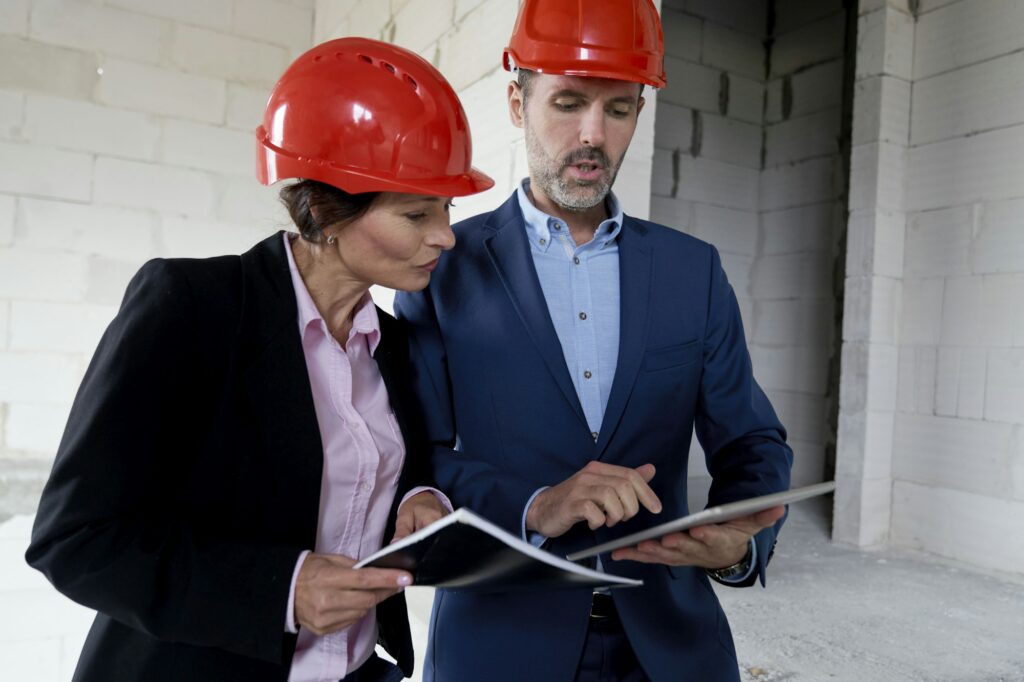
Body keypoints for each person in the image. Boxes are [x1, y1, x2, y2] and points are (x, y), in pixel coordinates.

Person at [25, 37, 493, 682]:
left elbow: (378, 466)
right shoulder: (192, 308)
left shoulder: (391, 342)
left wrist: (417, 496)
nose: (445, 235)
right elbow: (76, 541)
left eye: (447, 209)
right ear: (328, 213)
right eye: (417, 214)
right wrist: (282, 590)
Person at [393, 1, 794, 680]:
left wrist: (735, 545)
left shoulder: (692, 271)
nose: (593, 135)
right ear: (517, 101)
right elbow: (409, 459)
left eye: (618, 109)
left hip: (669, 647)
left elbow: (753, 445)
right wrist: (535, 506)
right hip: (498, 645)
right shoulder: (442, 266)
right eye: (569, 101)